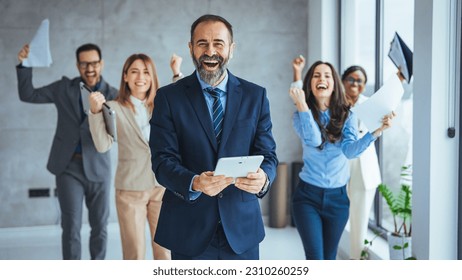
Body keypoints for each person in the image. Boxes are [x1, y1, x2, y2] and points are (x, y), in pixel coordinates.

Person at [149, 14, 278, 260]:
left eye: (218, 43)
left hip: (241, 230)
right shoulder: (168, 98)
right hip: (189, 230)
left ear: (231, 48)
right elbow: (162, 162)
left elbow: (268, 155)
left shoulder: (255, 96)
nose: (211, 51)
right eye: (202, 43)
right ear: (191, 48)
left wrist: (264, 179)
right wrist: (195, 182)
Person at [16, 43, 118, 259]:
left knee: (99, 227)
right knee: (70, 227)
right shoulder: (63, 88)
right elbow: (29, 95)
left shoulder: (114, 95)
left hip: (99, 167)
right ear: (77, 65)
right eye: (84, 64)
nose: (89, 68)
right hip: (68, 167)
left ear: (101, 64)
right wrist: (25, 65)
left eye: (94, 63)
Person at [288, 59, 395, 260]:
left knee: (329, 258)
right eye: (317, 75)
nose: (322, 79)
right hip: (307, 197)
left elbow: (350, 152)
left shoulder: (348, 115)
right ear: (310, 83)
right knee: (315, 258)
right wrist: (302, 104)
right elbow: (313, 139)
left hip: (338, 199)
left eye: (327, 75)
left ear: (334, 83)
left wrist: (377, 131)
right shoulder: (300, 116)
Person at [88, 53, 182, 260]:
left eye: (146, 72)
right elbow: (103, 146)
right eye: (135, 71)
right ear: (125, 76)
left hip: (162, 186)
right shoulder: (113, 108)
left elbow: (184, 102)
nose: (141, 77)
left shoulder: (162, 104)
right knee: (134, 253)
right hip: (130, 189)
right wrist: (95, 113)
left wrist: (176, 73)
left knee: (166, 251)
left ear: (152, 77)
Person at [340, 65, 381, 259]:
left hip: (364, 170)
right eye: (351, 79)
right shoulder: (334, 105)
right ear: (342, 81)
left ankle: (358, 263)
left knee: (360, 222)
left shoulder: (370, 105)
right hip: (339, 168)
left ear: (364, 86)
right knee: (337, 218)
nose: (355, 84)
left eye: (360, 81)